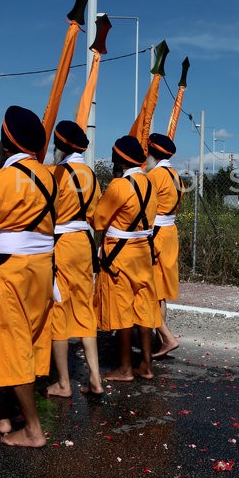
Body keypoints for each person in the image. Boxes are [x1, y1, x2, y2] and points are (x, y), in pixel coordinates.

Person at [0, 105, 56, 448]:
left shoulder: (1, 179)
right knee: (29, 338)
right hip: (40, 267)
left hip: (9, 269)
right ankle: (4, 412)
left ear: (6, 145)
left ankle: (33, 430)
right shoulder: (50, 176)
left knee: (12, 343)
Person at [45, 120, 104, 397]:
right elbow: (96, 216)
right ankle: (95, 378)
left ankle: (64, 383)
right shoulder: (91, 176)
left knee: (59, 308)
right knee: (84, 309)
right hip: (84, 243)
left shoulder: (56, 174)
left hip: (61, 245)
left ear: (61, 147)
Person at [94, 135, 159, 380]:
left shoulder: (119, 185)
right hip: (143, 251)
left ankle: (124, 369)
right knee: (144, 308)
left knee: (122, 310)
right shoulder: (150, 183)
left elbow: (99, 221)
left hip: (119, 255)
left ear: (120, 159)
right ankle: (146, 365)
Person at [146, 133, 184, 358]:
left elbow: (144, 205)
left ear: (152, 153)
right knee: (160, 292)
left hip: (155, 234)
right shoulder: (175, 175)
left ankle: (167, 337)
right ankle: (160, 339)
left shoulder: (154, 175)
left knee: (147, 290)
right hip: (170, 233)